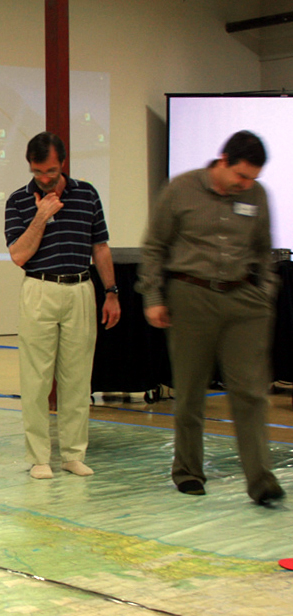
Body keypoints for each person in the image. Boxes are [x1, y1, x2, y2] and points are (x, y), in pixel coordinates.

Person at [137, 130, 285, 506]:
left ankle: (261, 479)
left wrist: (264, 293)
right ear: (223, 161)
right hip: (192, 297)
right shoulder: (180, 189)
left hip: (245, 301)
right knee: (190, 392)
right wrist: (153, 296)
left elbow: (264, 249)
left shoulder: (257, 195)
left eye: (252, 178)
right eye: (241, 176)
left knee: (250, 392)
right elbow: (155, 246)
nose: (246, 185)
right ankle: (188, 472)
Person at [4, 131, 120, 480]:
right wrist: (41, 216)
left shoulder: (86, 194)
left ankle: (73, 453)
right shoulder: (19, 200)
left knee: (76, 377)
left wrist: (111, 292)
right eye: (37, 171)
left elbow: (100, 247)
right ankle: (39, 456)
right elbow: (19, 255)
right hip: (39, 287)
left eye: (50, 171)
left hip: (81, 288)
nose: (43, 178)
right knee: (36, 378)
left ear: (63, 164)